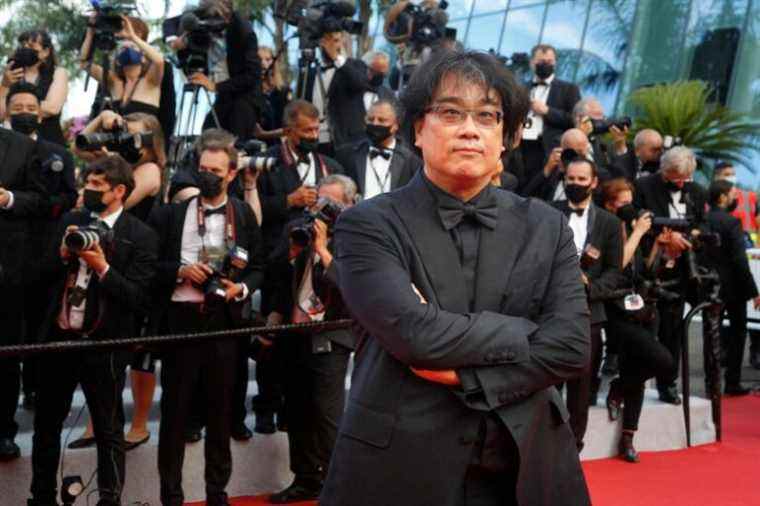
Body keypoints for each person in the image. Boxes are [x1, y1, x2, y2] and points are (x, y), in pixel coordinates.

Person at [321, 49, 590, 506]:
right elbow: (414, 336)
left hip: (530, 465)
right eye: (451, 112)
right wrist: (526, 332)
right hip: (400, 467)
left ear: (505, 136)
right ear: (418, 130)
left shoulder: (546, 224)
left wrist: (469, 376)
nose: (470, 129)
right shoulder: (368, 224)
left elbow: (572, 345)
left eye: (487, 116)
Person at [29, 155, 158, 506]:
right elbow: (37, 277)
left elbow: (138, 298)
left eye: (98, 185)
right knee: (46, 426)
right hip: (59, 339)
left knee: (108, 429)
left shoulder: (140, 235)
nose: (89, 189)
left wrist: (102, 266)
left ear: (119, 191)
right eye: (88, 182)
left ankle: (109, 500)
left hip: (106, 346)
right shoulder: (71, 221)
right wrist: (60, 254)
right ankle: (41, 497)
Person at [148, 128, 265, 506]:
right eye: (202, 168)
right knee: (175, 415)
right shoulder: (172, 213)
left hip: (224, 323)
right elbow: (151, 265)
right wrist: (181, 271)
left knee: (220, 413)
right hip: (180, 320)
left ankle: (217, 493)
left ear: (231, 173)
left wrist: (241, 289)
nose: (207, 174)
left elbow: (259, 267)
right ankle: (171, 494)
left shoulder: (243, 214)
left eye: (215, 169)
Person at [267, 175, 357, 503]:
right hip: (295, 332)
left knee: (327, 413)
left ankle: (339, 485)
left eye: (331, 205)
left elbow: (352, 285)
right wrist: (293, 251)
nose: (322, 212)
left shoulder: (358, 237)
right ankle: (305, 479)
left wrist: (322, 248)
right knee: (298, 409)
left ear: (350, 204)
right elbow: (273, 272)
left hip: (332, 334)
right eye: (319, 203)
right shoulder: (298, 229)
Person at [5, 81, 77, 412]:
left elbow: (65, 199)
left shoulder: (58, 154)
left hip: (44, 256)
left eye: (31, 109)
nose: (24, 114)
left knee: (39, 330)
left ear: (41, 112)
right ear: (6, 110)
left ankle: (34, 389)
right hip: (6, 258)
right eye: (18, 108)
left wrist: (22, 202)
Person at [551, 155, 623, 452]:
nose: (576, 184)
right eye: (571, 179)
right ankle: (543, 443)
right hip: (549, 313)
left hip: (588, 314)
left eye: (582, 180)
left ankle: (573, 447)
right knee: (547, 383)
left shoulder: (609, 223)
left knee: (581, 388)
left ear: (594, 183)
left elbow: (615, 273)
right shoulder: (548, 214)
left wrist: (589, 287)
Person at [600, 177, 676, 462]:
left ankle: (628, 438)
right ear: (609, 204)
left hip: (641, 309)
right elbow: (614, 267)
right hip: (615, 312)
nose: (630, 209)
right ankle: (619, 387)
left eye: (631, 202)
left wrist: (658, 247)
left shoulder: (635, 232)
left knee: (638, 369)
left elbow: (643, 271)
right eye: (623, 203)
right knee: (663, 362)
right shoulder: (604, 228)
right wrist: (637, 233)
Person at [634, 146, 707, 404]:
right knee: (642, 331)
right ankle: (632, 384)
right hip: (650, 268)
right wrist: (665, 238)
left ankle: (668, 383)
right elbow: (637, 220)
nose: (679, 182)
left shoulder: (697, 191)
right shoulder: (644, 186)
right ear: (663, 170)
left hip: (681, 272)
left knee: (672, 331)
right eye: (674, 176)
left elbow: (701, 225)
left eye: (683, 178)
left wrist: (687, 238)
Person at [0, 127, 46, 462]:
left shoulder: (22, 146)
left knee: (5, 356)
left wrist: (8, 199)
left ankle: (3, 432)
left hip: (8, 274)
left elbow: (43, 200)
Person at [171, 0, 263, 139]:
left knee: (232, 144)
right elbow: (191, 69)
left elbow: (253, 75)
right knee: (206, 138)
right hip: (223, 99)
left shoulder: (242, 29)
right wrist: (181, 48)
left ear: (226, 15)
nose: (211, 24)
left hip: (244, 101)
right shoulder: (202, 30)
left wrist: (215, 86)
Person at [705, 180, 760, 395]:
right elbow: (739, 260)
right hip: (733, 289)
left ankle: (711, 384)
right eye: (732, 194)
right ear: (722, 197)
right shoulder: (731, 223)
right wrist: (754, 291)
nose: (735, 198)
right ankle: (732, 382)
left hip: (709, 285)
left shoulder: (702, 221)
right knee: (737, 334)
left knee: (710, 335)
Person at [296, 31, 369, 152]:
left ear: (343, 42)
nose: (331, 45)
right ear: (320, 43)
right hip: (316, 141)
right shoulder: (310, 72)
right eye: (327, 41)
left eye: (335, 40)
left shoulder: (355, 65)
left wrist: (336, 57)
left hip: (346, 142)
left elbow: (359, 83)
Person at [80, 15, 165, 118]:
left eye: (133, 47)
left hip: (144, 132)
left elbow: (159, 61)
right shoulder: (114, 81)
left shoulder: (150, 81)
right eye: (123, 48)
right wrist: (90, 34)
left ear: (143, 57)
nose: (127, 49)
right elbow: (84, 63)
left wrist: (133, 37)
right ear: (117, 60)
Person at [334, 98, 420, 200]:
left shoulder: (411, 160)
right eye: (370, 119)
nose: (375, 124)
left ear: (395, 126)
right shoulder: (347, 154)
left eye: (381, 120)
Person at [520, 44, 581, 181]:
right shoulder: (521, 88)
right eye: (541, 62)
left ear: (555, 63)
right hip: (521, 147)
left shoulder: (569, 89)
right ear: (532, 63)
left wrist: (547, 111)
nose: (545, 65)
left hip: (548, 149)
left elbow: (575, 120)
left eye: (549, 62)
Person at [0, 30, 69, 146]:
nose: (25, 48)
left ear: (45, 52)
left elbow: (52, 108)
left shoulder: (58, 73)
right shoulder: (10, 75)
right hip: (12, 145)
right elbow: (1, 114)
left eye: (31, 46)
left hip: (48, 143)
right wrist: (5, 86)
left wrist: (15, 107)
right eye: (22, 45)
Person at [523, 128, 592, 201]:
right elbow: (525, 197)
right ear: (562, 150)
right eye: (571, 154)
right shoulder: (553, 171)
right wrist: (547, 170)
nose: (575, 159)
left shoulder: (592, 175)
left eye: (580, 154)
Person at [572, 97, 628, 173]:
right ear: (579, 119)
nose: (601, 120)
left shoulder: (603, 146)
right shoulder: (561, 141)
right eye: (596, 115)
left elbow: (620, 174)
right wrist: (580, 136)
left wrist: (620, 147)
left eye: (603, 116)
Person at [258, 45, 291, 145]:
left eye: (268, 59)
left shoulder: (283, 92)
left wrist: (264, 134)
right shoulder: (251, 93)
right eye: (259, 59)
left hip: (279, 146)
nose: (263, 64)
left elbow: (289, 127)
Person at [361, 50, 394, 114]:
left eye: (384, 75)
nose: (383, 77)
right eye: (379, 74)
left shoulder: (387, 95)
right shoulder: (351, 90)